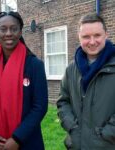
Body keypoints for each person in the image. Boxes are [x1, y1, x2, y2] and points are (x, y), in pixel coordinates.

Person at [0, 11, 48, 150]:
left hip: (26, 142)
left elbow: (39, 107)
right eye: (3, 29)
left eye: (14, 28)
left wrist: (17, 138)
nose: (8, 33)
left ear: (20, 32)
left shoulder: (34, 65)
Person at [57, 13, 115, 150]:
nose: (92, 41)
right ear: (79, 38)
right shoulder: (71, 68)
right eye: (86, 37)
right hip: (76, 145)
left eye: (97, 35)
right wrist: (71, 126)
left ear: (106, 35)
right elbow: (63, 101)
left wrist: (105, 134)